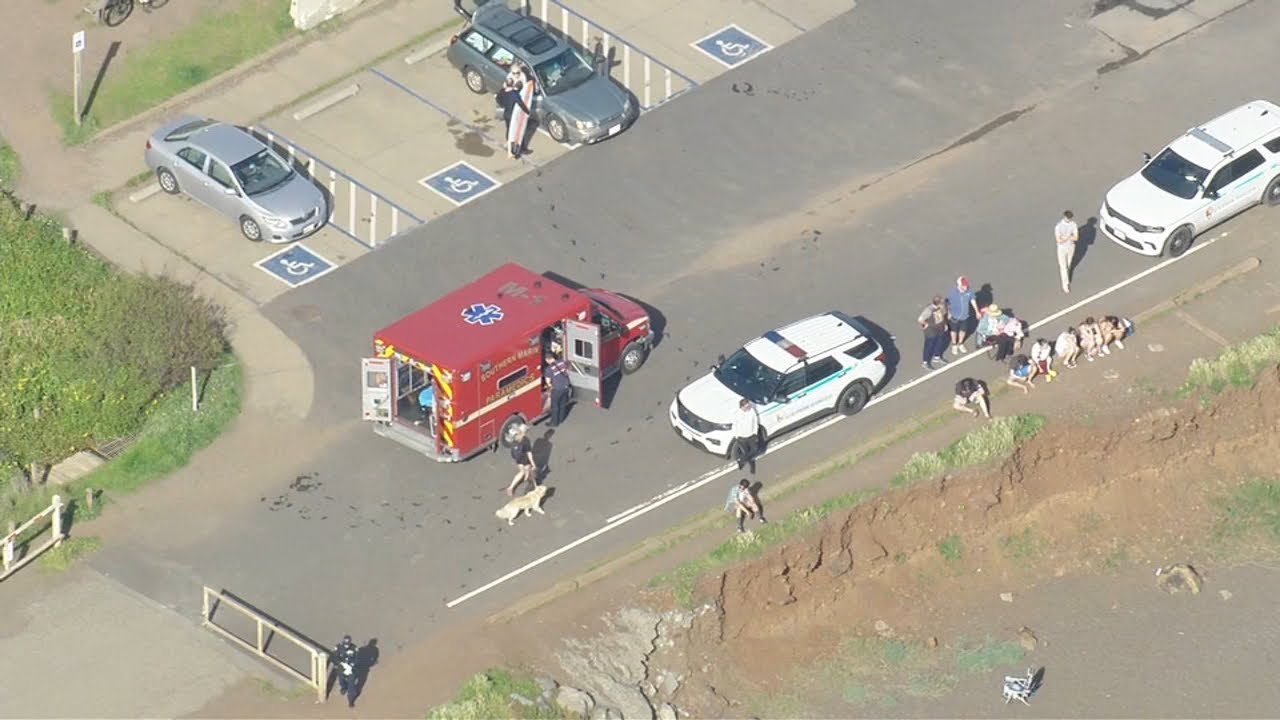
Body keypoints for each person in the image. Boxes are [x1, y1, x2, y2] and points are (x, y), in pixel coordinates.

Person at [504, 64, 535, 159]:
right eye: (514, 73)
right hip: (512, 112)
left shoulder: (522, 78)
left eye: (517, 72)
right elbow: (520, 102)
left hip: (510, 112)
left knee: (514, 129)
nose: (516, 75)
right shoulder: (512, 89)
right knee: (516, 130)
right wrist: (527, 112)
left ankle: (513, 147)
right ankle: (517, 149)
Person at [946, 276, 980, 354]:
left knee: (963, 330)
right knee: (953, 331)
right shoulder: (952, 292)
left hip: (965, 316)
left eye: (966, 286)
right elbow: (948, 303)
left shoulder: (969, 291)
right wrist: (949, 312)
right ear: (959, 284)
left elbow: (972, 300)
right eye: (963, 286)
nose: (965, 287)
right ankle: (954, 344)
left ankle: (960, 343)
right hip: (954, 316)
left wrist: (977, 311)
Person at [918, 295, 949, 370]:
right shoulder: (929, 310)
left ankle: (936, 357)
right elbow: (920, 319)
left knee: (939, 342)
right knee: (929, 346)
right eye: (942, 303)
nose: (943, 304)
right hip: (931, 331)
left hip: (940, 328)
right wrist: (926, 324)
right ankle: (925, 362)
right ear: (938, 303)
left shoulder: (940, 308)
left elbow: (942, 316)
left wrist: (945, 324)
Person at [505, 424, 536, 495]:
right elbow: (529, 453)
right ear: (524, 432)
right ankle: (530, 486)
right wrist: (533, 464)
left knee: (521, 472)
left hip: (518, 459)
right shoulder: (526, 440)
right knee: (528, 473)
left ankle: (510, 488)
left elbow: (513, 454)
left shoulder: (515, 439)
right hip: (525, 460)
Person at [731, 398, 760, 475]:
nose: (748, 408)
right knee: (746, 452)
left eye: (749, 406)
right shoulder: (737, 414)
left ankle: (741, 460)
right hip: (742, 437)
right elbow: (734, 425)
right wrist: (736, 436)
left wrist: (755, 433)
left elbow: (755, 421)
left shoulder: (752, 411)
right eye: (747, 407)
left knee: (754, 450)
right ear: (742, 407)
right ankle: (751, 465)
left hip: (751, 435)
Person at [331, 635, 360, 708]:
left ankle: (351, 700)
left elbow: (357, 658)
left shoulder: (354, 648)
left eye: (348, 644)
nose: (346, 646)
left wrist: (351, 665)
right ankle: (343, 687)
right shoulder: (338, 647)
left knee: (351, 685)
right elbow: (334, 658)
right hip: (341, 668)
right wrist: (341, 663)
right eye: (345, 644)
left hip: (351, 669)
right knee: (341, 680)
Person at [1055, 210, 1079, 294]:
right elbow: (1058, 240)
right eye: (1068, 218)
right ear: (1064, 217)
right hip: (1062, 248)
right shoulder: (1059, 226)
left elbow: (1076, 238)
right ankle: (1065, 284)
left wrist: (1065, 237)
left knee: (1068, 265)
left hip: (1071, 247)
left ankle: (1066, 279)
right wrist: (1069, 236)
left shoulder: (1073, 225)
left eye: (1070, 218)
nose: (1069, 220)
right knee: (1063, 267)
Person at [548, 356, 572, 427]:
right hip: (565, 387)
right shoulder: (562, 362)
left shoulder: (549, 368)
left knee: (555, 406)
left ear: (548, 359)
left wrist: (551, 387)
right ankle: (561, 419)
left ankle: (554, 422)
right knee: (562, 404)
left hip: (557, 389)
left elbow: (548, 381)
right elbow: (568, 370)